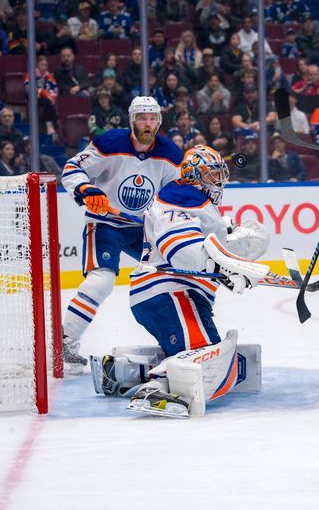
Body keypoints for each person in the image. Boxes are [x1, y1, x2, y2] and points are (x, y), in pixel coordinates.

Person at [91, 145, 270, 418]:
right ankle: (154, 389)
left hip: (170, 294)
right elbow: (184, 255)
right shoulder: (181, 199)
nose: (218, 182)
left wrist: (232, 258)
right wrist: (228, 268)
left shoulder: (191, 201)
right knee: (209, 358)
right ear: (194, 176)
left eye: (219, 175)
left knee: (198, 356)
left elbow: (206, 248)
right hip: (170, 293)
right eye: (212, 175)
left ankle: (121, 371)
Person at [60, 97, 183, 375]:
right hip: (105, 223)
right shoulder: (109, 143)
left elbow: (177, 196)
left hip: (142, 228)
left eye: (152, 118)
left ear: (159, 122)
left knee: (171, 275)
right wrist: (86, 191)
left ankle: (178, 340)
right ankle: (64, 344)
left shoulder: (170, 154)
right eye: (142, 118)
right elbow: (72, 169)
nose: (147, 123)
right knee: (102, 280)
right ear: (131, 120)